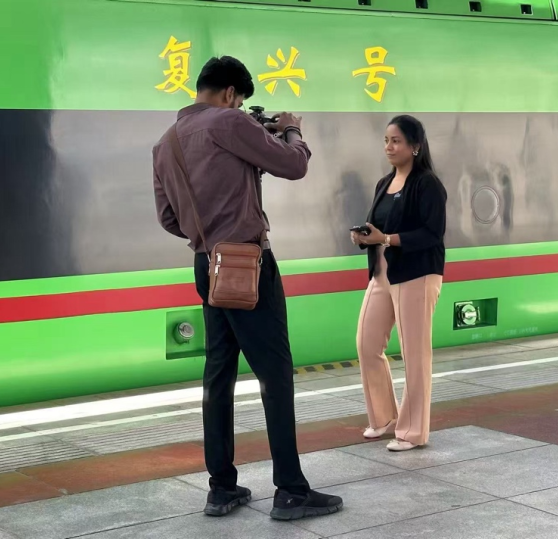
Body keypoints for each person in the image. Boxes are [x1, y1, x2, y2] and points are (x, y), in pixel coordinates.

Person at [152, 56, 343, 521]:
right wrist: (291, 129)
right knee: (274, 374)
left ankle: (221, 489)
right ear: (231, 94)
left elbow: (168, 218)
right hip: (246, 263)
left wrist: (208, 235)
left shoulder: (166, 142)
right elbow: (294, 166)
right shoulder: (230, 122)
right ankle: (291, 491)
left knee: (218, 375)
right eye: (239, 100)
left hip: (206, 264)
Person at [350, 115, 447, 452]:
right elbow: (378, 227)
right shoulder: (384, 183)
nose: (389, 147)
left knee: (415, 354)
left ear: (415, 146)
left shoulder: (427, 184)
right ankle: (384, 417)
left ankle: (413, 432)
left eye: (396, 141)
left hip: (417, 274)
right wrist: (364, 237)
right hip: (382, 274)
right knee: (366, 344)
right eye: (386, 141)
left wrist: (387, 239)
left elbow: (432, 233)